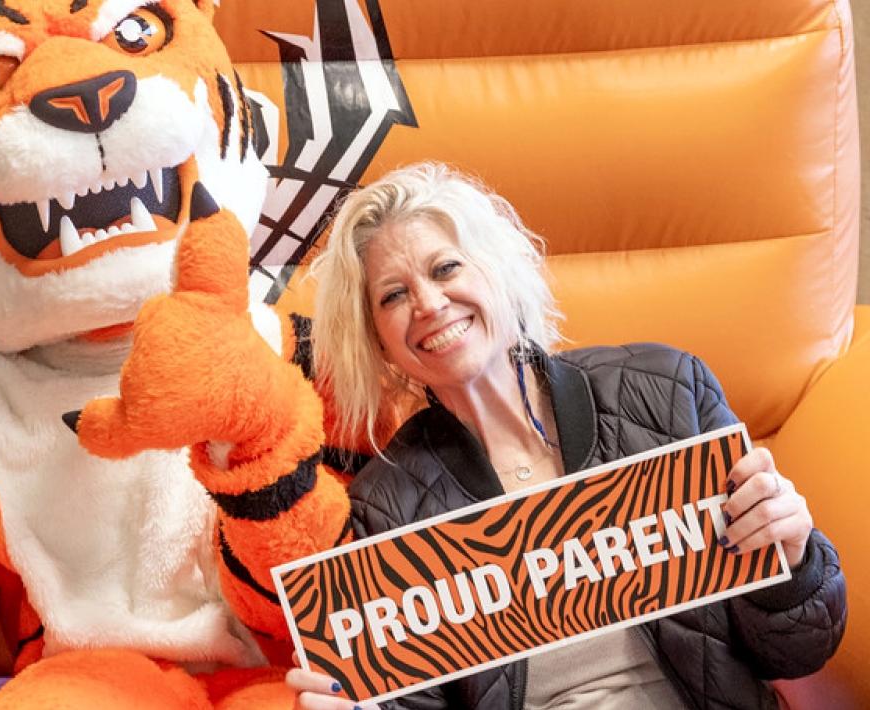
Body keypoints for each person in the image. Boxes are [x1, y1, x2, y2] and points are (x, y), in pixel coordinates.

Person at [286, 162, 846, 710]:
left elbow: (800, 649)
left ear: (499, 270)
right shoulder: (384, 509)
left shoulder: (669, 392)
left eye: (446, 269)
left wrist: (793, 561)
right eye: (393, 296)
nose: (429, 304)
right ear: (378, 341)